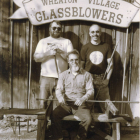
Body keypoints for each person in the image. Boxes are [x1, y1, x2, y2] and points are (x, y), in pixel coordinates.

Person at [52, 49, 94, 140]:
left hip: (80, 104)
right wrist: (60, 97)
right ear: (68, 61)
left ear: (79, 60)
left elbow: (90, 91)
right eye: (71, 60)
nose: (74, 62)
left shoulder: (87, 75)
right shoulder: (63, 75)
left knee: (87, 119)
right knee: (54, 114)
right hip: (66, 104)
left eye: (76, 59)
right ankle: (59, 138)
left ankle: (79, 137)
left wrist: (83, 98)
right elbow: (59, 89)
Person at [34, 20, 73, 109]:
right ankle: (43, 122)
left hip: (62, 78)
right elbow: (36, 58)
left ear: (61, 30)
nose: (56, 30)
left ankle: (55, 123)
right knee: (42, 102)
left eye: (58, 28)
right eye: (54, 28)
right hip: (46, 77)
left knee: (60, 104)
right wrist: (48, 53)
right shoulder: (43, 41)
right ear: (49, 29)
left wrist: (60, 51)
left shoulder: (67, 41)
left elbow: (72, 59)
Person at [80, 24, 113, 113]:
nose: (95, 34)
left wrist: (107, 79)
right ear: (90, 33)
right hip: (88, 78)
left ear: (100, 33)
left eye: (97, 32)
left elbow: (111, 64)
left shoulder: (106, 46)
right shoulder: (85, 47)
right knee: (88, 104)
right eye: (93, 32)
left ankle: (106, 127)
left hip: (101, 78)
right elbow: (81, 65)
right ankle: (88, 125)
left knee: (105, 105)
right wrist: (83, 79)